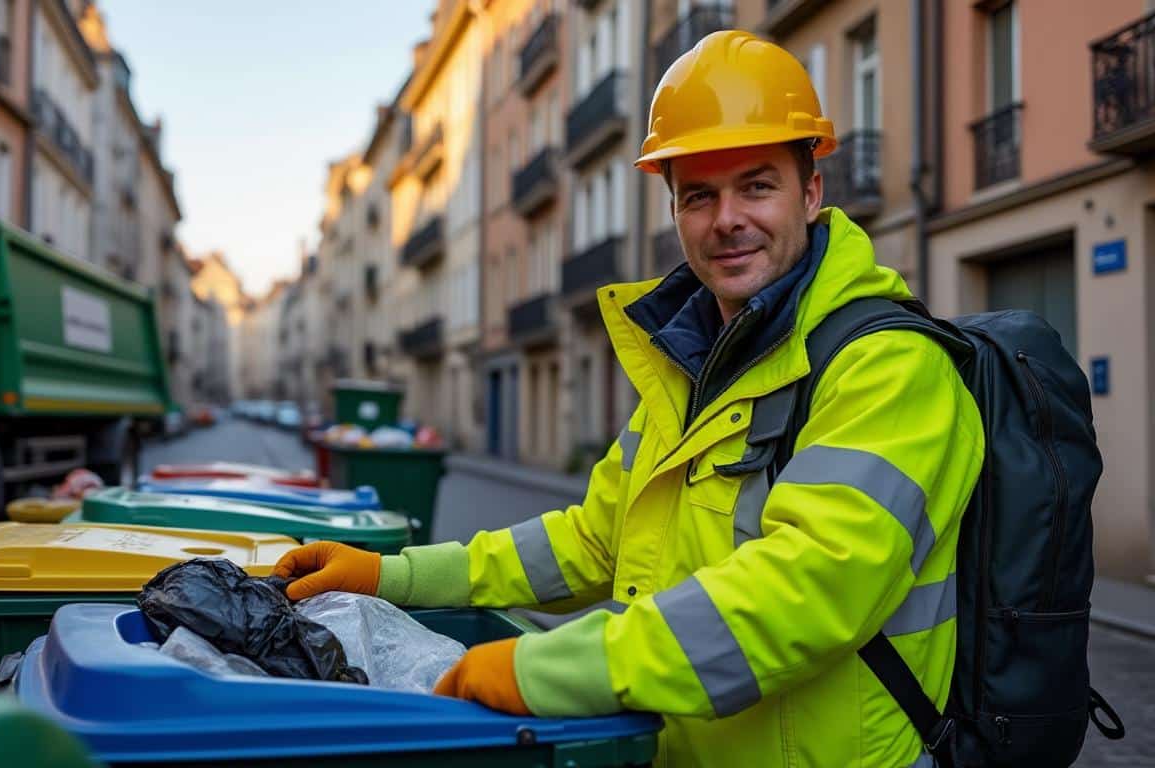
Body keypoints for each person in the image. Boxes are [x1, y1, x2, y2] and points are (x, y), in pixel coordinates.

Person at [274, 30, 983, 767]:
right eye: (699, 195)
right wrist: (397, 575)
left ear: (811, 191)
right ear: (673, 209)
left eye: (757, 185)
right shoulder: (695, 366)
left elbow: (808, 591)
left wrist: (552, 670)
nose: (727, 219)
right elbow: (591, 539)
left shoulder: (889, 367)